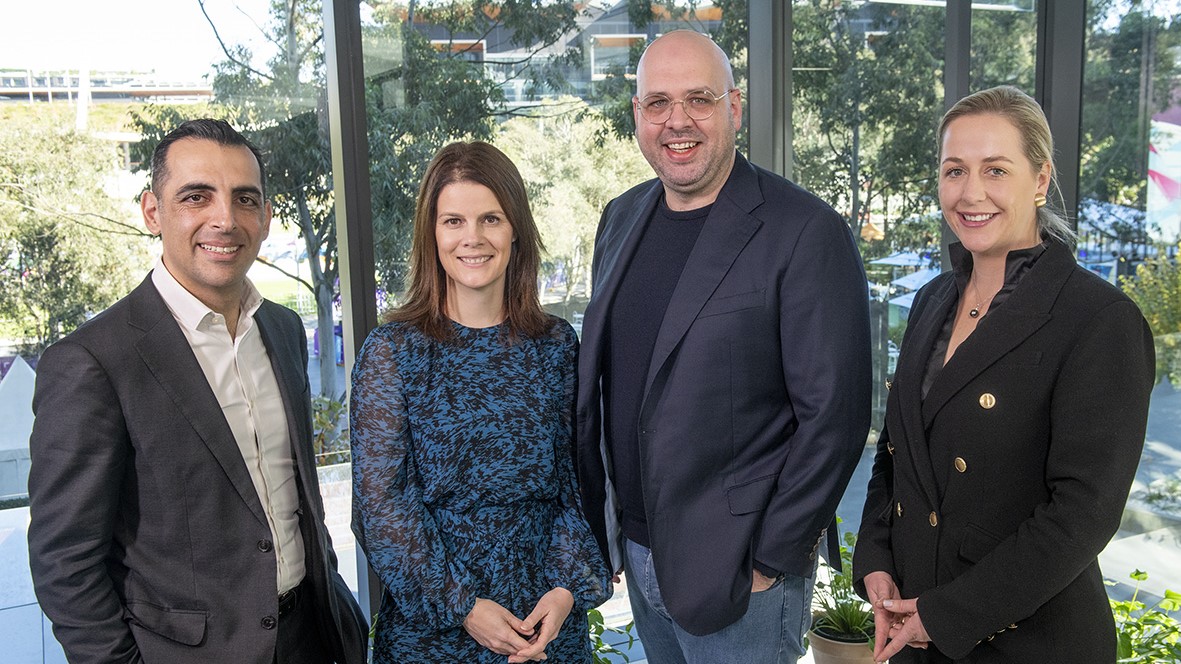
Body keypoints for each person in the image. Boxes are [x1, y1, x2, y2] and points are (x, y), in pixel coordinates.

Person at [576, 30, 872, 663]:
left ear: (734, 108)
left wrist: (770, 557)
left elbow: (836, 418)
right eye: (657, 102)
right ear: (637, 116)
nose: (676, 121)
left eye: (699, 99)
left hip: (743, 572)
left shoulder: (805, 231)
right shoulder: (620, 218)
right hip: (639, 552)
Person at [26, 119, 368, 663]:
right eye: (196, 196)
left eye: (245, 199)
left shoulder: (279, 330)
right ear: (152, 212)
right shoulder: (92, 361)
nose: (225, 219)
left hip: (314, 637)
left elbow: (295, 497)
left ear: (265, 216)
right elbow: (63, 563)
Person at [853, 85, 1156, 664]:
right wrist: (876, 558)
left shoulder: (1100, 320)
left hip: (1026, 643)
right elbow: (895, 452)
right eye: (954, 170)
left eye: (996, 170)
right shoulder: (931, 299)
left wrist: (944, 615)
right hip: (915, 629)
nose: (971, 194)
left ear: (1040, 180)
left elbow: (1082, 517)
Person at [350, 141, 611, 664]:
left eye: (490, 218)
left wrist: (564, 593)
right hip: (436, 631)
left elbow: (576, 484)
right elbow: (380, 508)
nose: (473, 238)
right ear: (432, 234)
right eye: (453, 221)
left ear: (515, 229)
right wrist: (463, 605)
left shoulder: (556, 345)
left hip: (548, 628)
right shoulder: (392, 352)